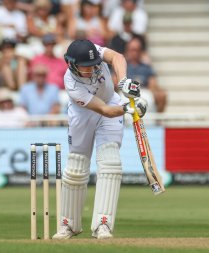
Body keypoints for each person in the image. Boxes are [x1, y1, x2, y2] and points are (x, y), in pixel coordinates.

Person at [52, 39, 147, 240]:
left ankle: (103, 224)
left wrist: (123, 81)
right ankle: (68, 224)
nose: (93, 69)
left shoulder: (93, 51)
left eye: (94, 64)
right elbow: (104, 111)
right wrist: (128, 108)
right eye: (86, 67)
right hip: (84, 114)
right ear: (72, 65)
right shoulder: (71, 83)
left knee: (111, 162)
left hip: (111, 100)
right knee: (77, 167)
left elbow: (117, 57)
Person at [125, 37, 166, 112]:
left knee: (161, 95)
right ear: (128, 51)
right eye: (132, 50)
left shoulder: (146, 67)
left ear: (141, 51)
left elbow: (153, 83)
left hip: (144, 93)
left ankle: (157, 121)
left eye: (137, 50)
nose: (134, 53)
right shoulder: (123, 66)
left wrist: (154, 90)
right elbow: (115, 82)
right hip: (126, 94)